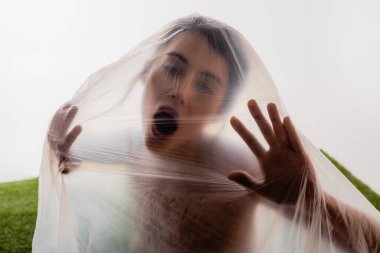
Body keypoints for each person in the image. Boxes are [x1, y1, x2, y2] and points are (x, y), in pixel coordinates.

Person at [33, 15, 380, 253]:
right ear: (144, 73)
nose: (180, 92)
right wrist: (60, 150)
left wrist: (306, 197)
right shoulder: (127, 147)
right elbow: (72, 156)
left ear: (219, 111)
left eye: (204, 85)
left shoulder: (242, 170)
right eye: (172, 68)